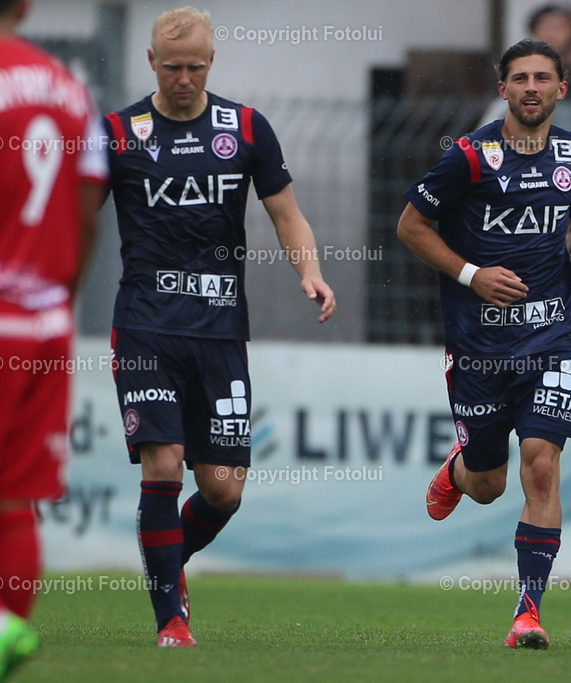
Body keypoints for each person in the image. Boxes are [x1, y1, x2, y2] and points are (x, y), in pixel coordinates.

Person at [103, 7, 335, 647]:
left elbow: (287, 215)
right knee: (164, 463)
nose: (184, 78)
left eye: (196, 67)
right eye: (172, 66)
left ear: (212, 63)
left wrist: (309, 272)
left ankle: (167, 563)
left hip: (220, 330)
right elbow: (72, 216)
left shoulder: (247, 127)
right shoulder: (119, 134)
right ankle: (171, 619)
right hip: (146, 327)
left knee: (224, 491)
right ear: (151, 62)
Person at [398, 38, 571, 650]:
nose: (532, 87)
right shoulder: (469, 157)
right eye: (520, 78)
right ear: (503, 87)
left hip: (554, 340)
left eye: (543, 77)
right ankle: (460, 471)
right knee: (489, 484)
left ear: (561, 89)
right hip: (480, 349)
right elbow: (411, 226)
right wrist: (471, 275)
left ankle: (528, 613)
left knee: (542, 465)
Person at [0, 0, 106, 678]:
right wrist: (58, 304)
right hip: (47, 320)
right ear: (24, 6)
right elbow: (87, 212)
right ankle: (0, 648)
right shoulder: (75, 92)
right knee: (9, 497)